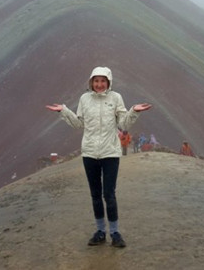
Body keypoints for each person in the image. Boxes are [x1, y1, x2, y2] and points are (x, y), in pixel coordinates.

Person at [46, 66, 152, 248]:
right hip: (89, 153)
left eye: (103, 81)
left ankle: (115, 233)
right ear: (91, 82)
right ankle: (100, 232)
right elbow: (78, 123)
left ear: (108, 82)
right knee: (95, 195)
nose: (99, 84)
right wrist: (62, 111)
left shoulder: (116, 98)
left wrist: (134, 110)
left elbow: (123, 123)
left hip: (110, 152)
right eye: (96, 81)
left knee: (109, 194)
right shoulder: (84, 99)